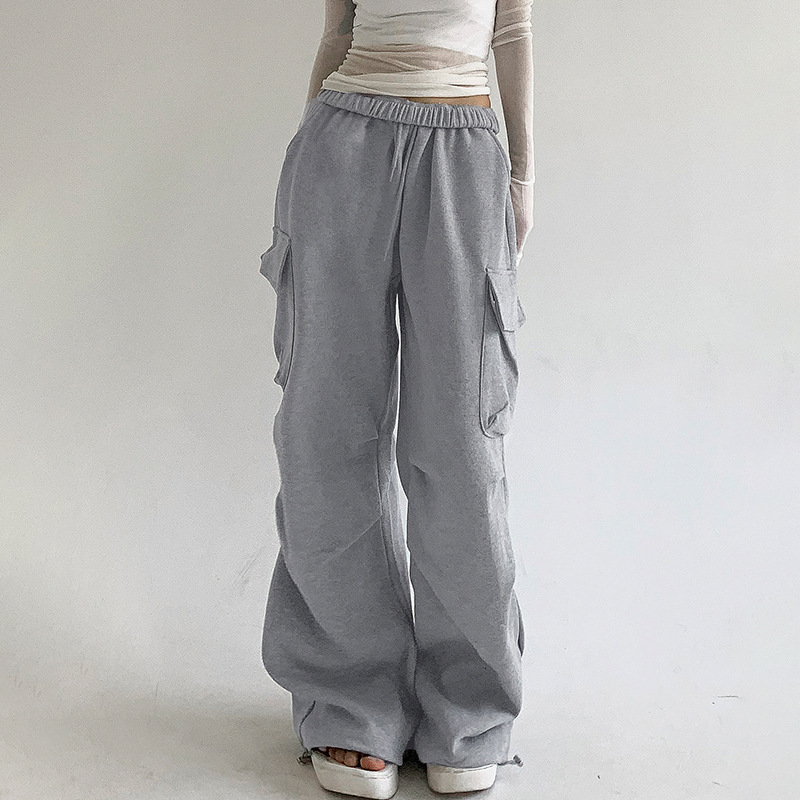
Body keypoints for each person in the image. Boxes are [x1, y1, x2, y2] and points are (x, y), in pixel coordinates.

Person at [258, 0, 532, 796]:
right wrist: (305, 162)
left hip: (464, 150)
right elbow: (339, 30)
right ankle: (351, 703)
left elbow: (512, 30)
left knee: (461, 443)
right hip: (339, 146)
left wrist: (522, 177)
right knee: (324, 431)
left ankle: (469, 710)